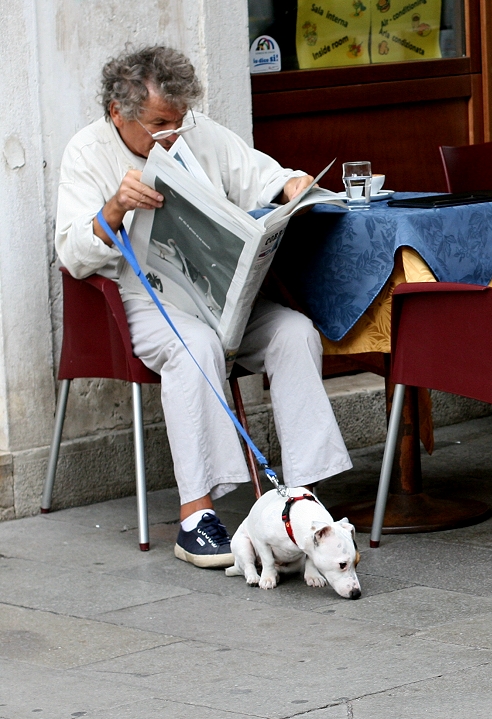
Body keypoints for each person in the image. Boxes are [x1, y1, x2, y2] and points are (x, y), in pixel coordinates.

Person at [55, 45, 352, 569]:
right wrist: (116, 208)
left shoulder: (193, 129)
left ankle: (303, 502)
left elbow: (256, 172)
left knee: (294, 332)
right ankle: (197, 516)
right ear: (116, 114)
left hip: (219, 297)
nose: (171, 132)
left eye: (179, 119)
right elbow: (73, 253)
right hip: (138, 301)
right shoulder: (86, 151)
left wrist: (288, 183)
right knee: (196, 345)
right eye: (158, 123)